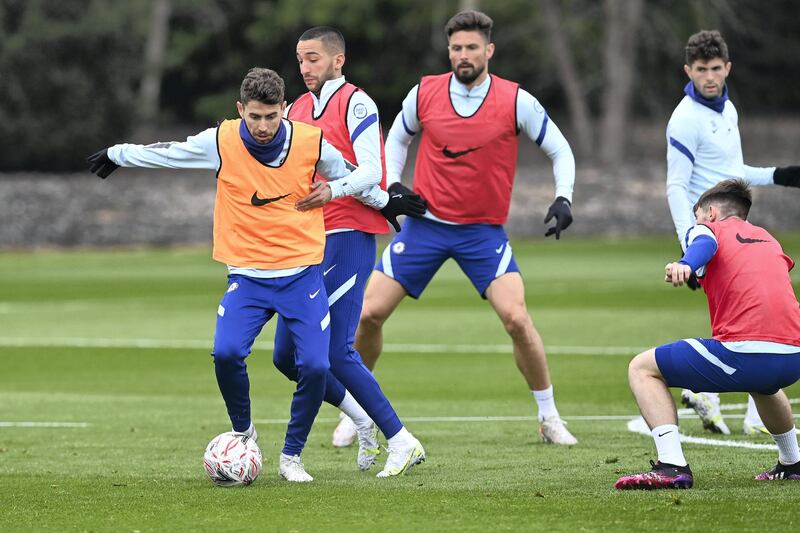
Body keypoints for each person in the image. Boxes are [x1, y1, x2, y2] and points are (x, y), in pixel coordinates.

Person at [87, 67, 389, 482]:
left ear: (284, 109)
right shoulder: (220, 141)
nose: (263, 126)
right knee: (226, 354)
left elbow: (350, 177)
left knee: (316, 367)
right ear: (239, 110)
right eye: (254, 117)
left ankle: (291, 458)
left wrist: (386, 202)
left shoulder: (310, 141)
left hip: (301, 275)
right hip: (247, 277)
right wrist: (117, 154)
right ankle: (244, 433)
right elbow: (168, 152)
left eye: (271, 116)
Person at [353, 10, 578, 445]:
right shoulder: (425, 93)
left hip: (482, 233)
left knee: (516, 318)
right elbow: (395, 139)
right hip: (424, 228)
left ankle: (549, 417)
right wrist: (393, 184)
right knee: (368, 313)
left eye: (472, 47)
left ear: (488, 50)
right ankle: (358, 410)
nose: (463, 55)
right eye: (456, 48)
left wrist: (564, 197)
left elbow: (560, 150)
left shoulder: (516, 100)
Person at [270, 26, 427, 478]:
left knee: (337, 349)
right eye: (300, 59)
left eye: (313, 58)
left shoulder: (357, 101)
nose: (304, 68)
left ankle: (401, 440)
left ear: (338, 60)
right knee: (285, 356)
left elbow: (371, 172)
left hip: (351, 234)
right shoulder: (297, 108)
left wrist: (332, 192)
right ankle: (361, 417)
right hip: (307, 243)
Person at [616, 179, 800, 489]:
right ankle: (793, 462)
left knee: (642, 368)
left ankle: (672, 466)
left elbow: (705, 243)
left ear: (711, 212)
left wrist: (686, 263)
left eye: (698, 214)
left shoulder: (707, 229)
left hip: (746, 353)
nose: (696, 221)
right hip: (793, 356)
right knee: (764, 383)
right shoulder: (768, 238)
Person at [666, 29, 800, 436]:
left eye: (716, 69)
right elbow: (675, 185)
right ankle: (744, 409)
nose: (709, 76)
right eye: (701, 69)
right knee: (742, 311)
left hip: (729, 225)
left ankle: (709, 393)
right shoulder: (684, 119)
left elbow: (734, 173)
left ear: (728, 68)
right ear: (689, 70)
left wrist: (780, 175)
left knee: (739, 308)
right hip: (706, 231)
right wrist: (689, 241)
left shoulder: (728, 111)